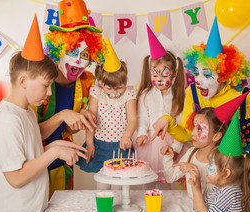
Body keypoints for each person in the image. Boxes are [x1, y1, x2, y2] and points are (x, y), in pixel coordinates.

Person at [152, 18, 250, 207]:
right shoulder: (192, 92)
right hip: (205, 164)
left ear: (226, 75)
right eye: (196, 72)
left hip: (236, 164)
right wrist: (167, 120)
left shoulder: (248, 98)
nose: (199, 80)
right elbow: (187, 134)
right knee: (203, 210)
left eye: (208, 74)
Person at [0, 16, 86, 212]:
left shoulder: (25, 111)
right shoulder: (6, 121)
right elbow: (17, 177)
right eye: (46, 85)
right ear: (23, 82)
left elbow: (31, 138)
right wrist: (55, 152)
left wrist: (56, 143)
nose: (49, 92)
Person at [35, 0, 104, 197]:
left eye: (84, 54)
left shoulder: (85, 81)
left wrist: (81, 117)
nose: (79, 60)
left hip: (64, 160)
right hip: (35, 159)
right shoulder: (39, 81)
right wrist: (64, 115)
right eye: (72, 51)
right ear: (58, 50)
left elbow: (70, 128)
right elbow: (31, 134)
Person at [76, 36, 137, 189]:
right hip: (100, 145)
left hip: (120, 146)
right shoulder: (97, 93)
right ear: (101, 83)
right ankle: (104, 211)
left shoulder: (129, 94)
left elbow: (133, 119)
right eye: (110, 88)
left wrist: (127, 136)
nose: (115, 92)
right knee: (102, 184)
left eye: (119, 87)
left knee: (119, 185)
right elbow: (91, 120)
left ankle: (118, 210)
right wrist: (90, 143)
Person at [188, 110, 250, 212]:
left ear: (226, 173)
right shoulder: (220, 187)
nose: (207, 167)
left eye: (211, 166)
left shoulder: (229, 192)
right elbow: (199, 209)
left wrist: (196, 190)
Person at [163, 93, 248, 198]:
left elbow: (218, 197)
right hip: (192, 208)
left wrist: (193, 170)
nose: (192, 133)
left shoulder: (223, 161)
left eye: (199, 129)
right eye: (194, 127)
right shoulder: (191, 154)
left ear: (216, 136)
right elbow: (170, 177)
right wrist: (168, 156)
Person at [134, 25, 186, 190]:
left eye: (165, 74)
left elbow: (182, 124)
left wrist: (175, 148)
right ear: (149, 72)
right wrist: (142, 133)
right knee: (147, 181)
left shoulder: (180, 97)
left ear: (175, 72)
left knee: (166, 182)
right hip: (149, 144)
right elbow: (142, 117)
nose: (160, 79)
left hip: (169, 143)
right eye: (155, 74)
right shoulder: (145, 95)